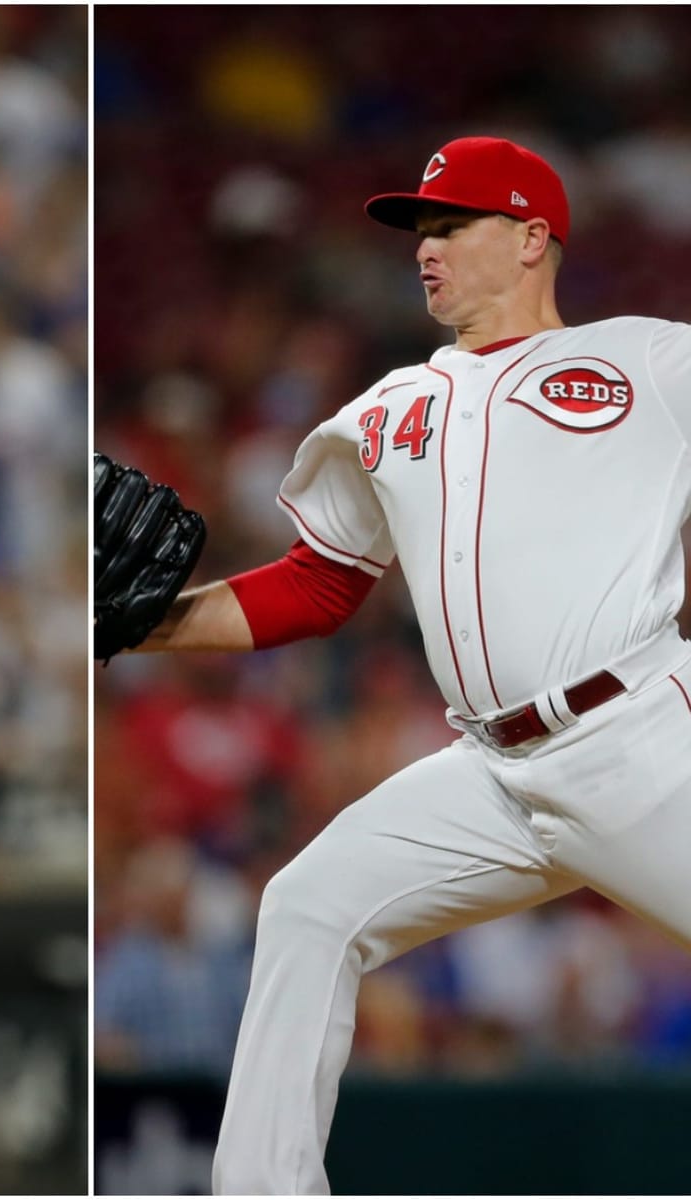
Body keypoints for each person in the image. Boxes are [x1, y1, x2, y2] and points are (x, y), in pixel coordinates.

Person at [135, 135, 691, 1194]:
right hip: (493, 773)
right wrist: (143, 625)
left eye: (451, 227)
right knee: (307, 907)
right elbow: (316, 585)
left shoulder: (650, 362)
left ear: (533, 238)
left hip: (644, 743)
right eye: (418, 231)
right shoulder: (389, 408)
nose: (425, 250)